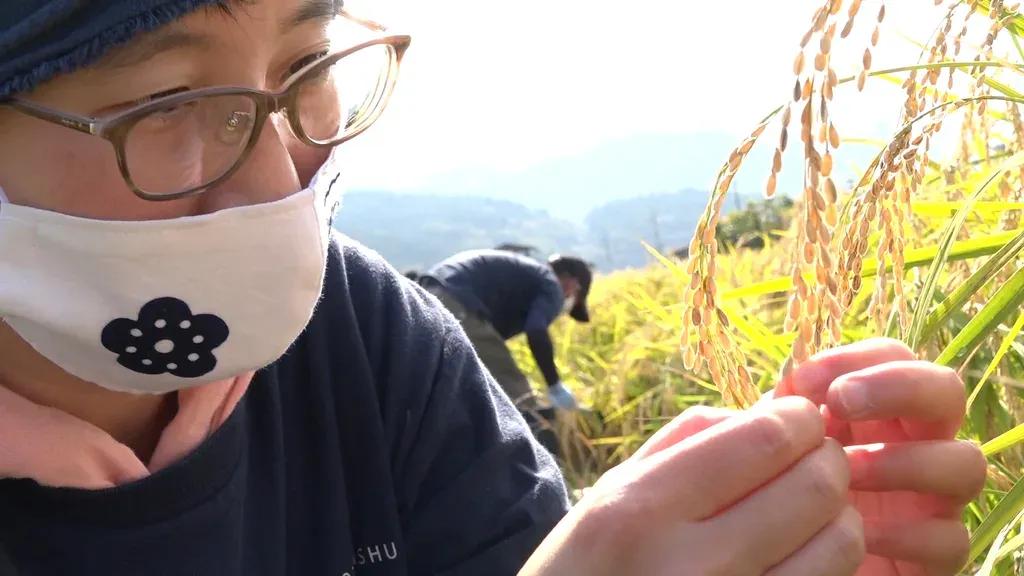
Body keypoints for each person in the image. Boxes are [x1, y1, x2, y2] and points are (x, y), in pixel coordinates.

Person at [0, 2, 985, 575]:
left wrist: (765, 536)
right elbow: (541, 347)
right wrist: (552, 392)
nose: (276, 183)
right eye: (167, 103)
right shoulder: (455, 318)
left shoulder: (371, 336)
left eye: (306, 64)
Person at [419, 249, 591, 413]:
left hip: (424, 299)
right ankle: (537, 435)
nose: (565, 302)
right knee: (517, 396)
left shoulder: (524, 280)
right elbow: (536, 331)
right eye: (571, 298)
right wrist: (555, 386)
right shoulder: (552, 285)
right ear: (573, 284)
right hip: (454, 301)